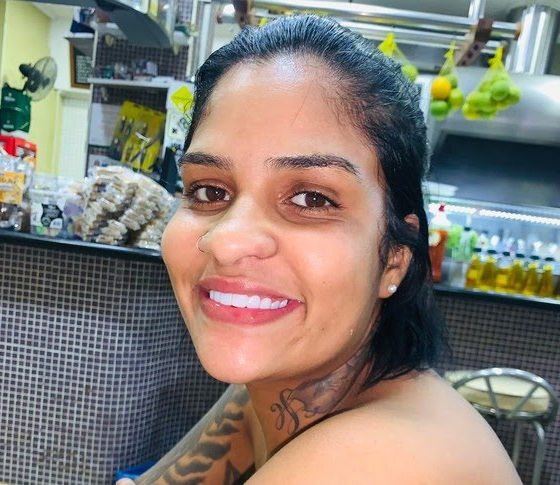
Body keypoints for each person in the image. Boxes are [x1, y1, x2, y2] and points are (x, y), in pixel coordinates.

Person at [118, 15, 521, 485]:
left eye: (312, 199)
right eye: (209, 191)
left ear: (394, 257)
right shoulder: (281, 384)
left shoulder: (378, 460)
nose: (226, 241)